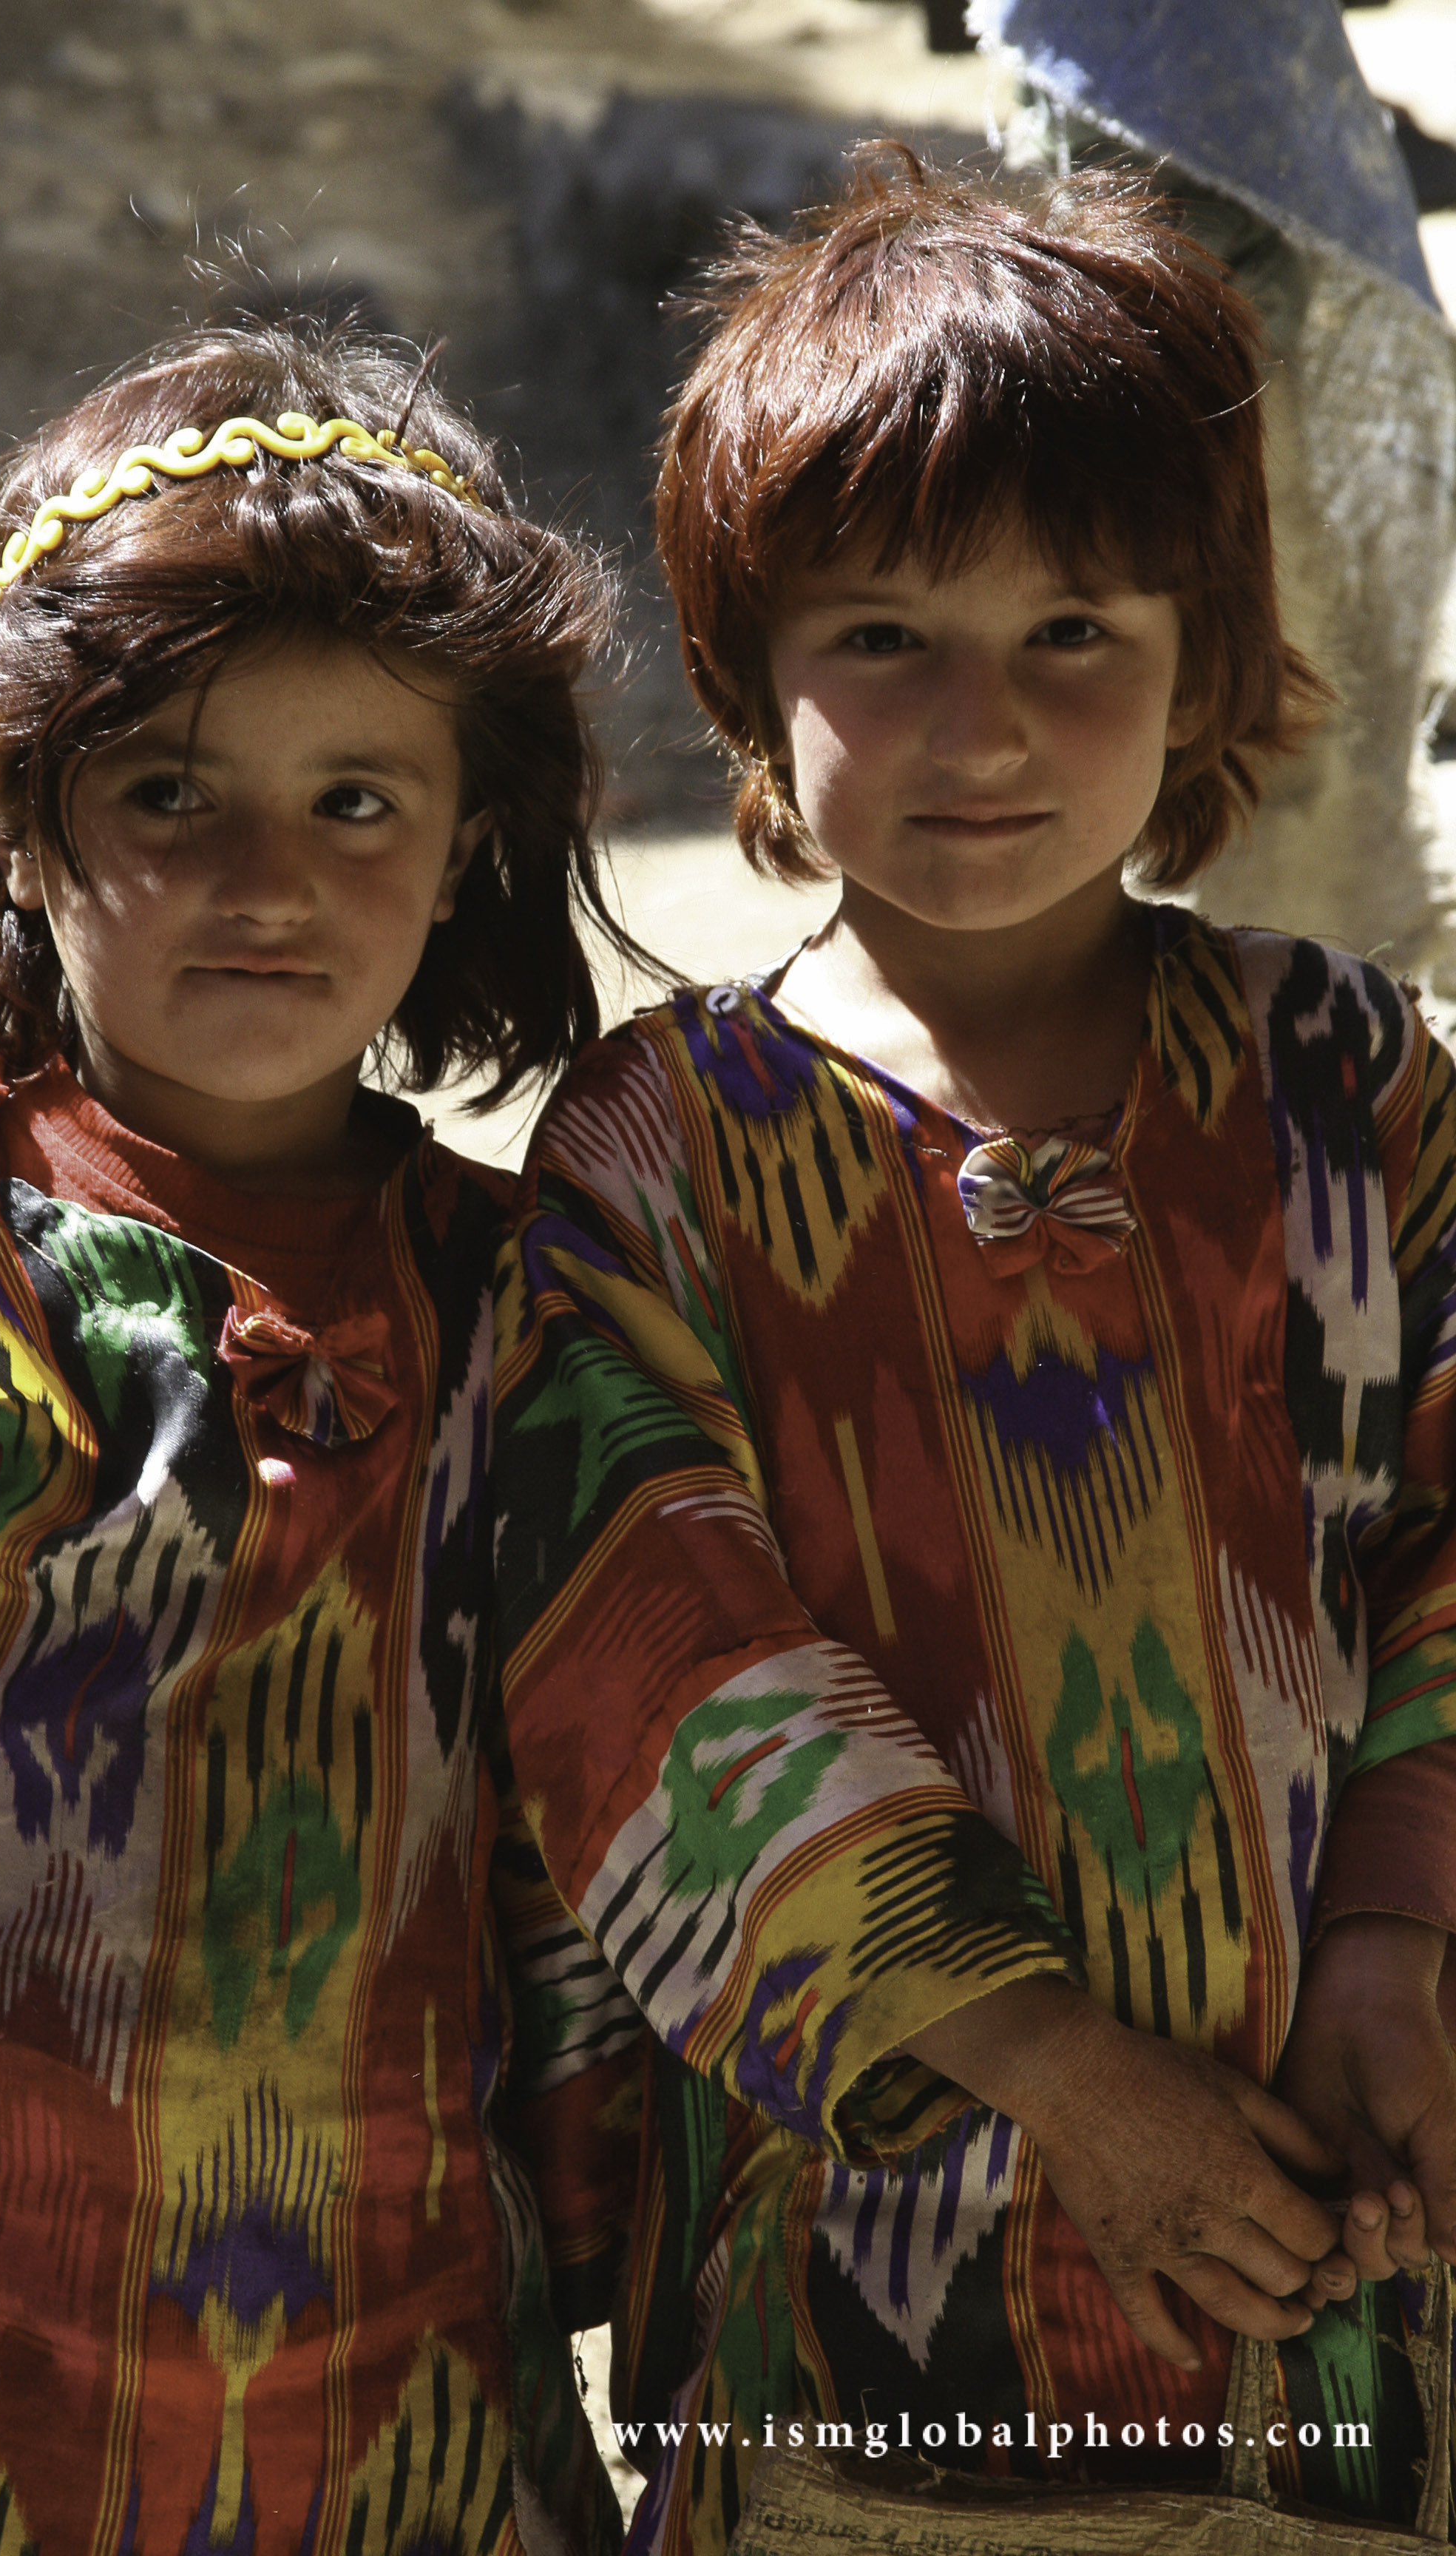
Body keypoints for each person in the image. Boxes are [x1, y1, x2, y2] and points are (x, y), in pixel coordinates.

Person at [492, 150, 1456, 2554]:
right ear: (742, 662)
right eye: (885, 639)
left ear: (1210, 659)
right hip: (867, 2340)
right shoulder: (664, 1149)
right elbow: (648, 1667)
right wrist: (1063, 2072)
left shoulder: (1359, 1084)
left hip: (1350, 2299)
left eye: (1076, 636)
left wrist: (1397, 1942)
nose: (983, 728)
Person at [0, 322, 643, 2556]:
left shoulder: (535, 1304)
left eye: (360, 799)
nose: (270, 874)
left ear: (464, 851)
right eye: (170, 791)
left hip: (431, 2418)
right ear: (16, 820)